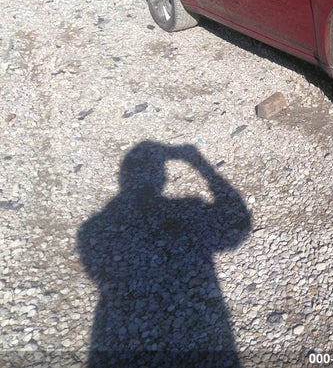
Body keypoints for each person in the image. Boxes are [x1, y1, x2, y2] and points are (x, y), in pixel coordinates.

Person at [77, 141, 251, 367]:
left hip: (123, 331)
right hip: (203, 327)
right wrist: (201, 165)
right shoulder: (94, 227)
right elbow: (238, 228)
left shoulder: (93, 228)